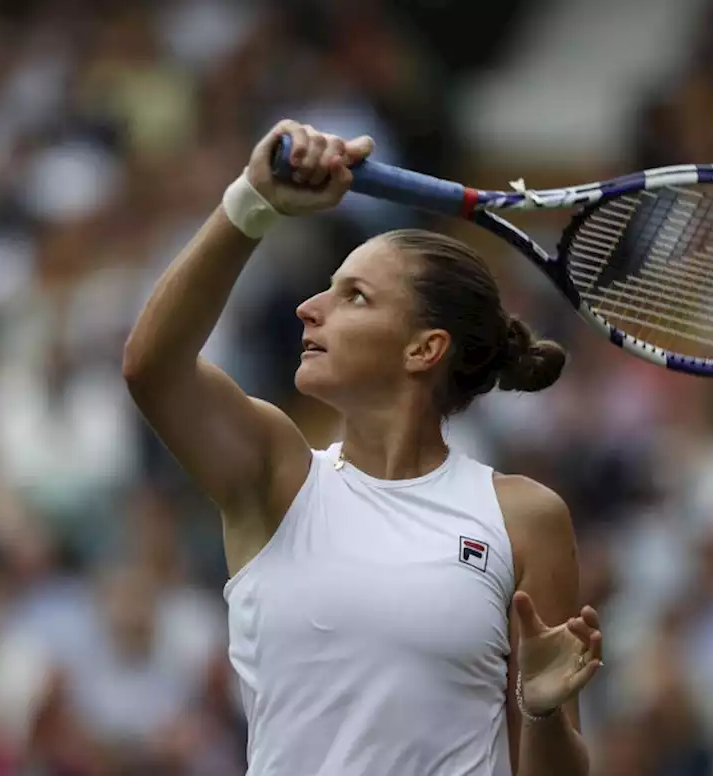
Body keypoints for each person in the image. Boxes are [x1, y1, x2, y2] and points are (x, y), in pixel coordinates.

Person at [123, 120, 604, 776]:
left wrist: (542, 712)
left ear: (423, 348)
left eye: (354, 296)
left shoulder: (524, 519)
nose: (309, 308)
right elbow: (153, 368)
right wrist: (253, 201)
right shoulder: (277, 476)